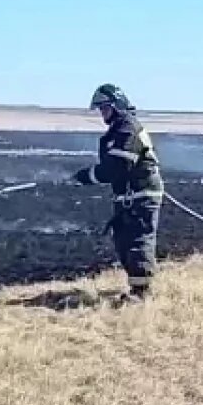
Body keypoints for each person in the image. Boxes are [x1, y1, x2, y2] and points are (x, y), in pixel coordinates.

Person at [73, 84, 164, 300]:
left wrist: (89, 176)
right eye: (100, 109)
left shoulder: (128, 128)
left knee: (138, 241)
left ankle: (142, 294)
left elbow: (118, 166)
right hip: (129, 198)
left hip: (141, 196)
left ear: (117, 105)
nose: (102, 113)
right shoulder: (118, 129)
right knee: (125, 241)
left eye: (105, 108)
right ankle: (137, 288)